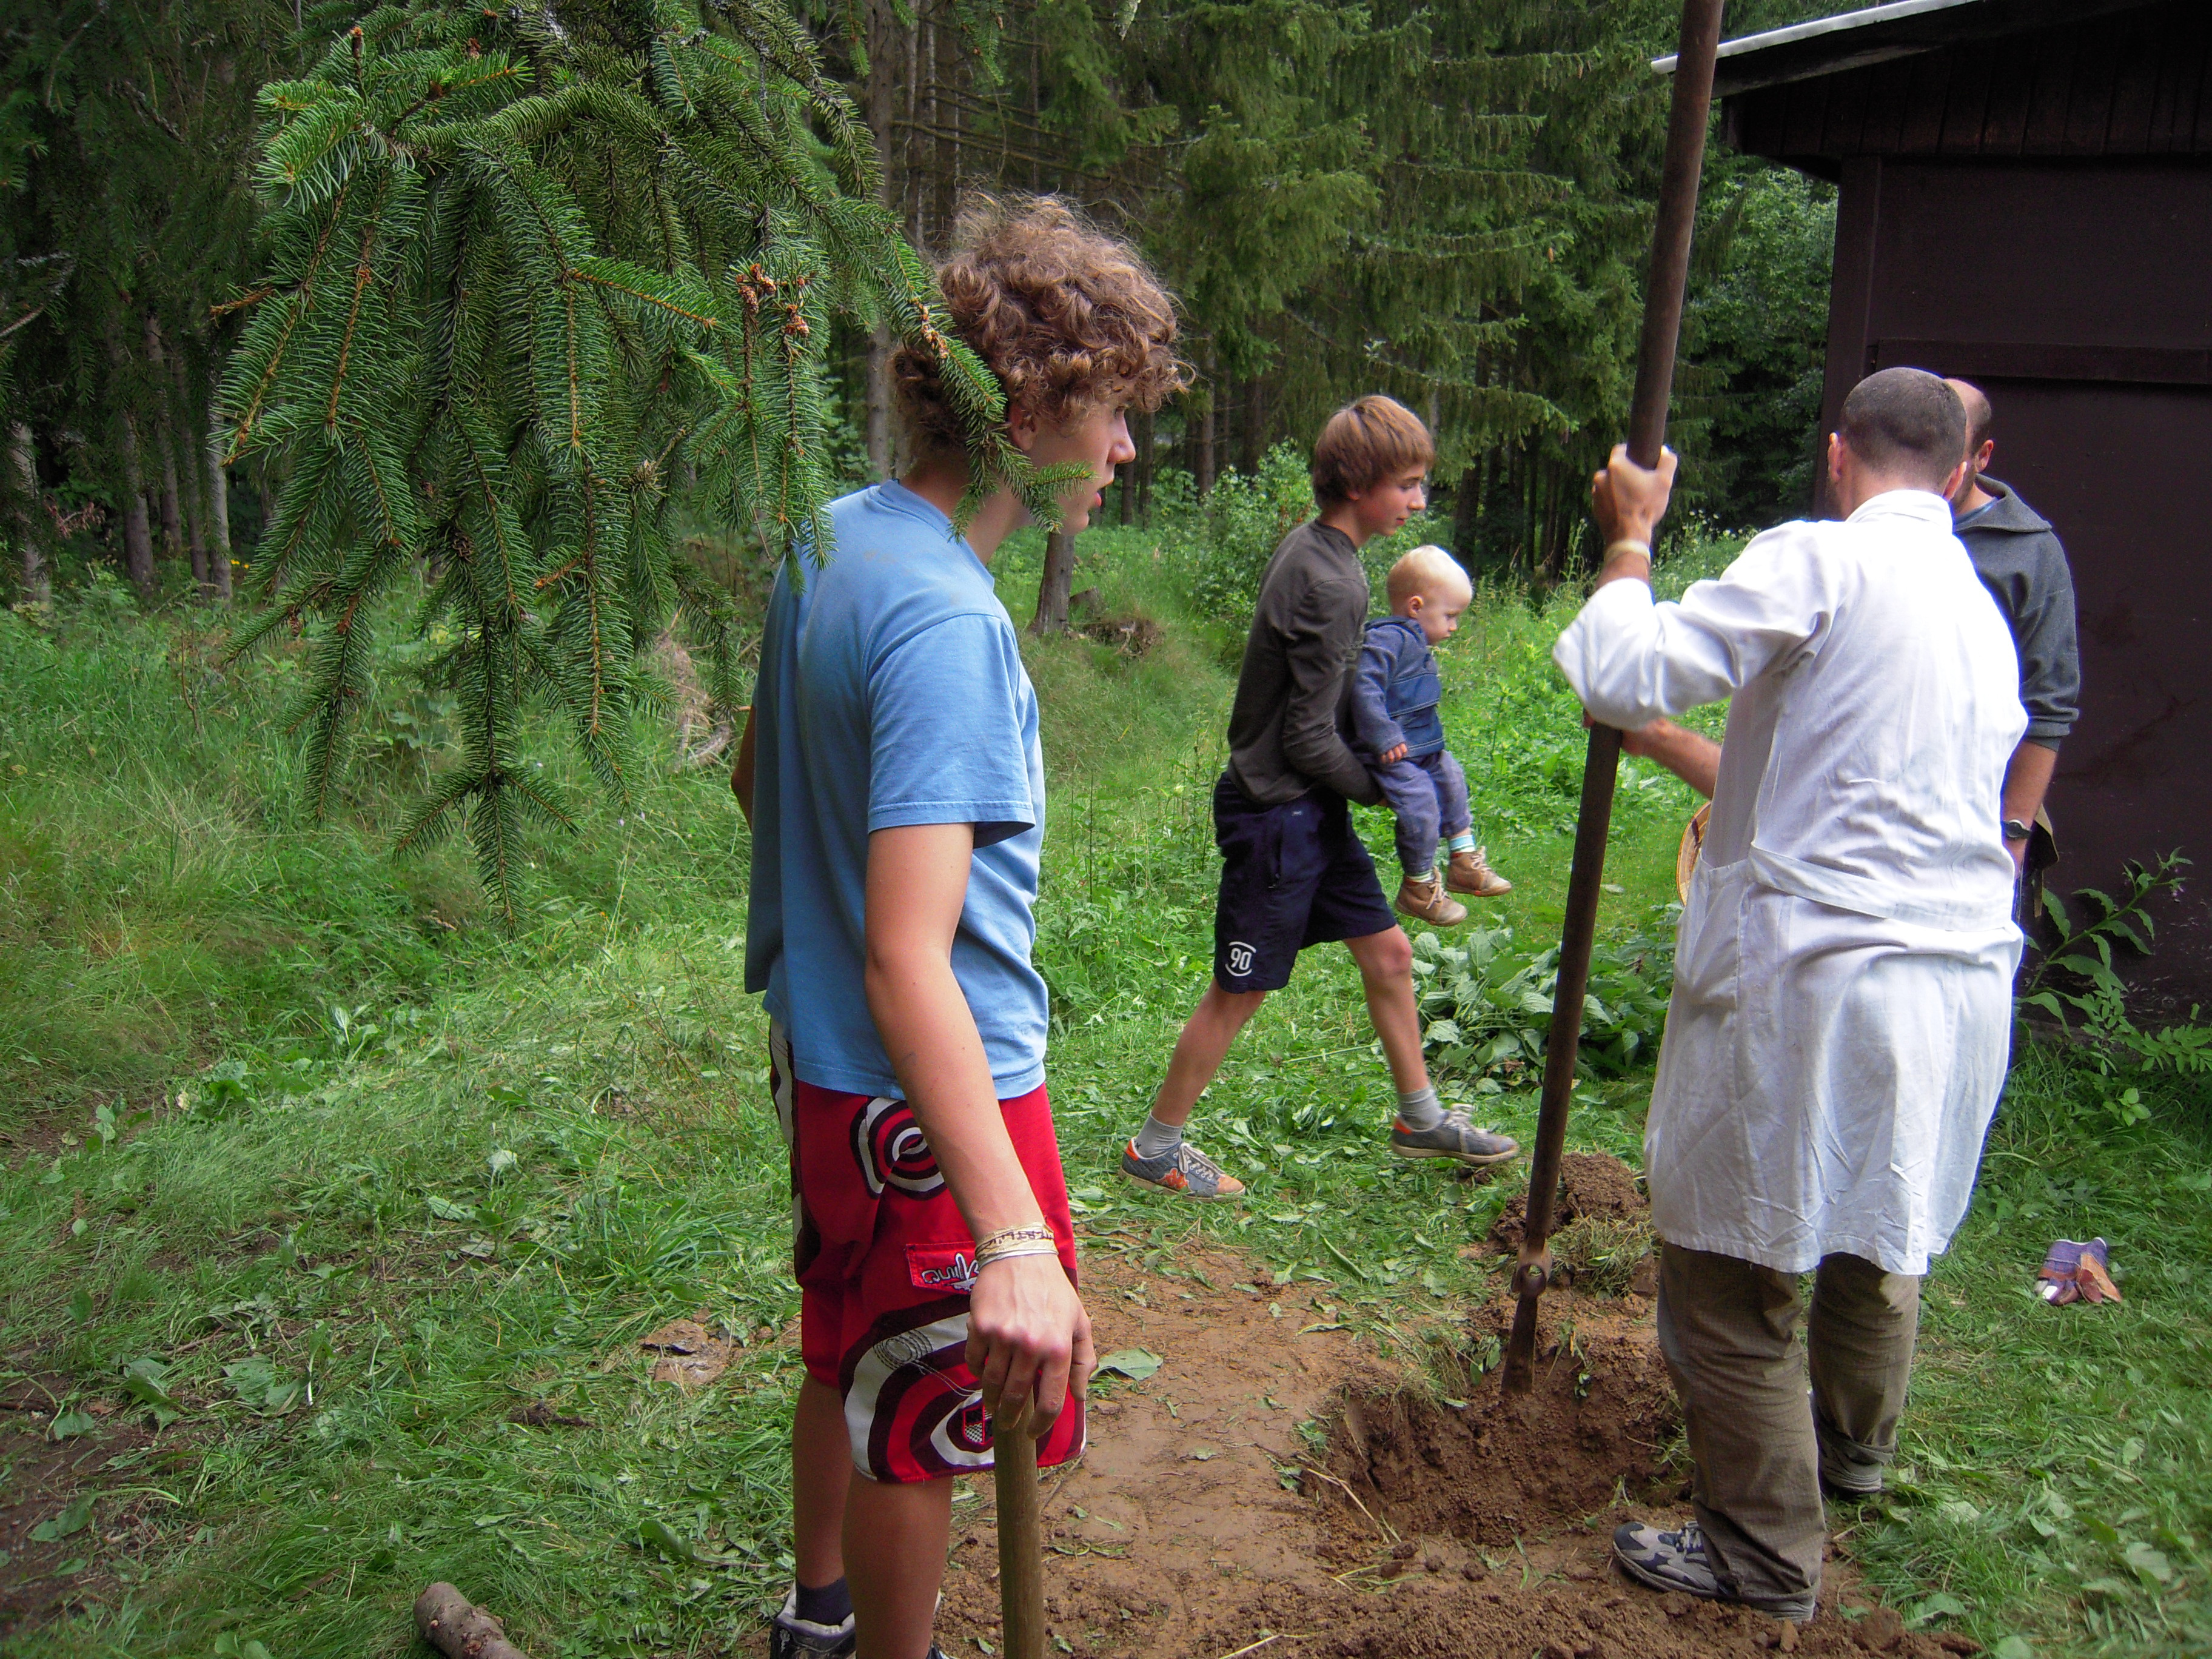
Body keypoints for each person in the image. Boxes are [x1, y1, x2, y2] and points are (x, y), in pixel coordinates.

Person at [732, 196, 1185, 1659]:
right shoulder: (947, 622)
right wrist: (1013, 1233)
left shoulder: (829, 541)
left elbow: (755, 779)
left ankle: (818, 1609)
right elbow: (907, 956)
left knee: (848, 1342)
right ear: (1031, 411)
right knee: (925, 1414)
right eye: (1112, 413)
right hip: (931, 1099)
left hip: (826, 1073)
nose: (1125, 449)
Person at [1551, 369, 2024, 1622]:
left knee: (1723, 1268)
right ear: (1959, 473)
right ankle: (1850, 1454)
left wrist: (1629, 538)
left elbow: (1624, 674)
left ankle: (1761, 1554)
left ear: (1836, 456)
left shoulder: (1824, 559)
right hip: (1958, 977)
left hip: (1819, 975)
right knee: (1880, 1219)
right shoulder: (1977, 612)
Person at [1117, 396, 1521, 1202]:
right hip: (1277, 813)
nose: (1418, 503)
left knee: (1391, 954)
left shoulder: (1323, 552)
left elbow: (1326, 708)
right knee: (1241, 989)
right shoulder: (1330, 580)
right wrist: (1393, 791)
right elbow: (1305, 737)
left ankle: (1419, 1119)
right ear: (1360, 483)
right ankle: (1155, 1148)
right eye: (1407, 485)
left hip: (1308, 807)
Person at [1943, 378, 2080, 911]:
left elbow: (2049, 705)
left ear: (1982, 456)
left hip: (1979, 813)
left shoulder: (2031, 553)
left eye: (1948, 454)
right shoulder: (1873, 525)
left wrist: (2014, 838)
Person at [1349, 543, 1513, 927]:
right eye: (1450, 616)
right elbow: (1363, 686)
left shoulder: (1412, 640)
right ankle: (1418, 886)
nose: (1454, 626)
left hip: (1420, 746)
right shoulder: (1388, 639)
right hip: (1390, 751)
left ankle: (1463, 860)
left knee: (1452, 778)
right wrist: (1383, 735)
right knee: (1421, 802)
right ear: (1416, 606)